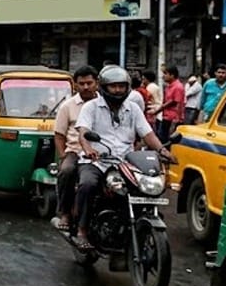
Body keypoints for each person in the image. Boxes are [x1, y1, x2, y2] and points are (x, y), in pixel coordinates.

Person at [72, 65, 172, 251]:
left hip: (126, 162)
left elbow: (148, 134)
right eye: (113, 86)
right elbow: (83, 132)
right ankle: (82, 230)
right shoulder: (91, 107)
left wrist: (162, 150)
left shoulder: (133, 108)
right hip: (97, 161)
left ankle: (136, 223)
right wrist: (88, 149)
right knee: (87, 184)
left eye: (121, 86)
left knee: (144, 187)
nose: (117, 90)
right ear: (104, 87)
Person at [52, 65, 98, 232]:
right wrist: (63, 155)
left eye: (89, 83)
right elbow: (59, 134)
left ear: (97, 83)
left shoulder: (104, 104)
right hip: (75, 151)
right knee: (66, 171)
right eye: (82, 83)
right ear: (75, 85)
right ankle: (64, 212)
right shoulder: (67, 106)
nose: (86, 87)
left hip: (101, 152)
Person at [158, 65, 185, 143]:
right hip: (167, 116)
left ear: (172, 75)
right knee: (163, 138)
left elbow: (176, 103)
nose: (163, 76)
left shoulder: (178, 87)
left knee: (169, 140)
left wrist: (176, 119)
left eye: (165, 74)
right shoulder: (169, 86)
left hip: (172, 118)